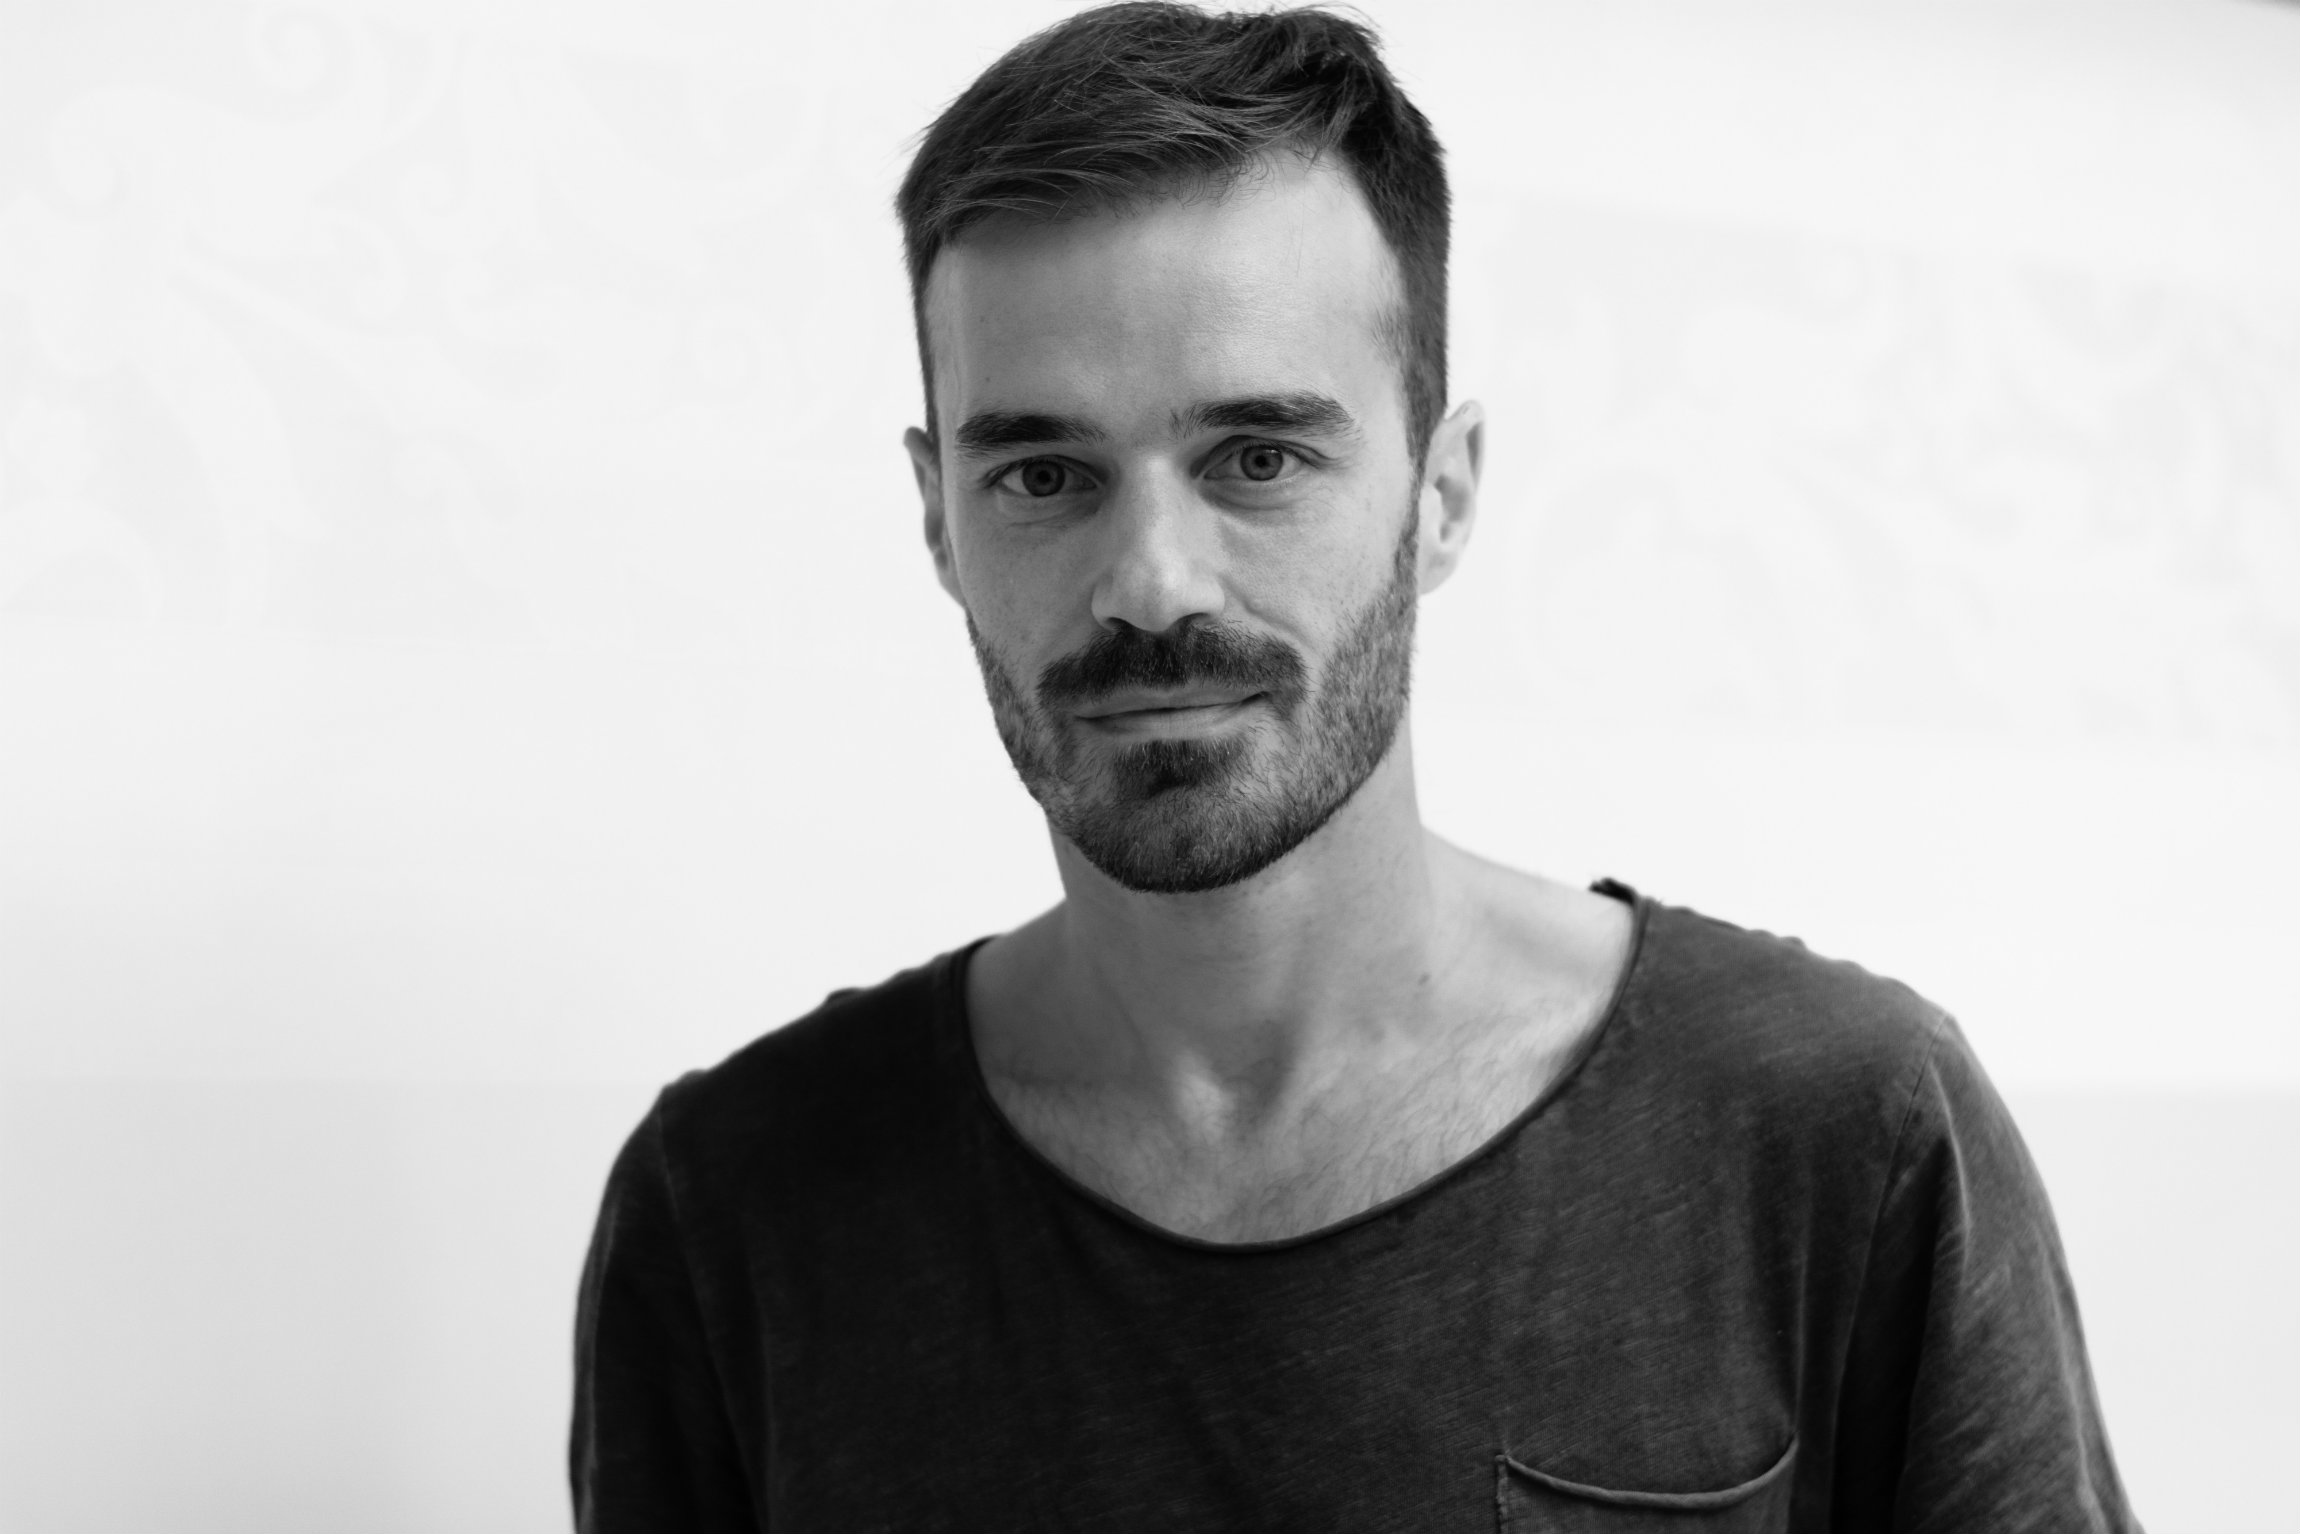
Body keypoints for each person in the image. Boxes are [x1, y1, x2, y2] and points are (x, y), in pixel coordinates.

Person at [571, 5, 2139, 1529]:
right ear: (938, 519)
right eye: (1044, 473)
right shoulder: (732, 1217)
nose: (1153, 583)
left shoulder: (1838, 1132)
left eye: (1257, 457)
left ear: (1441, 495)